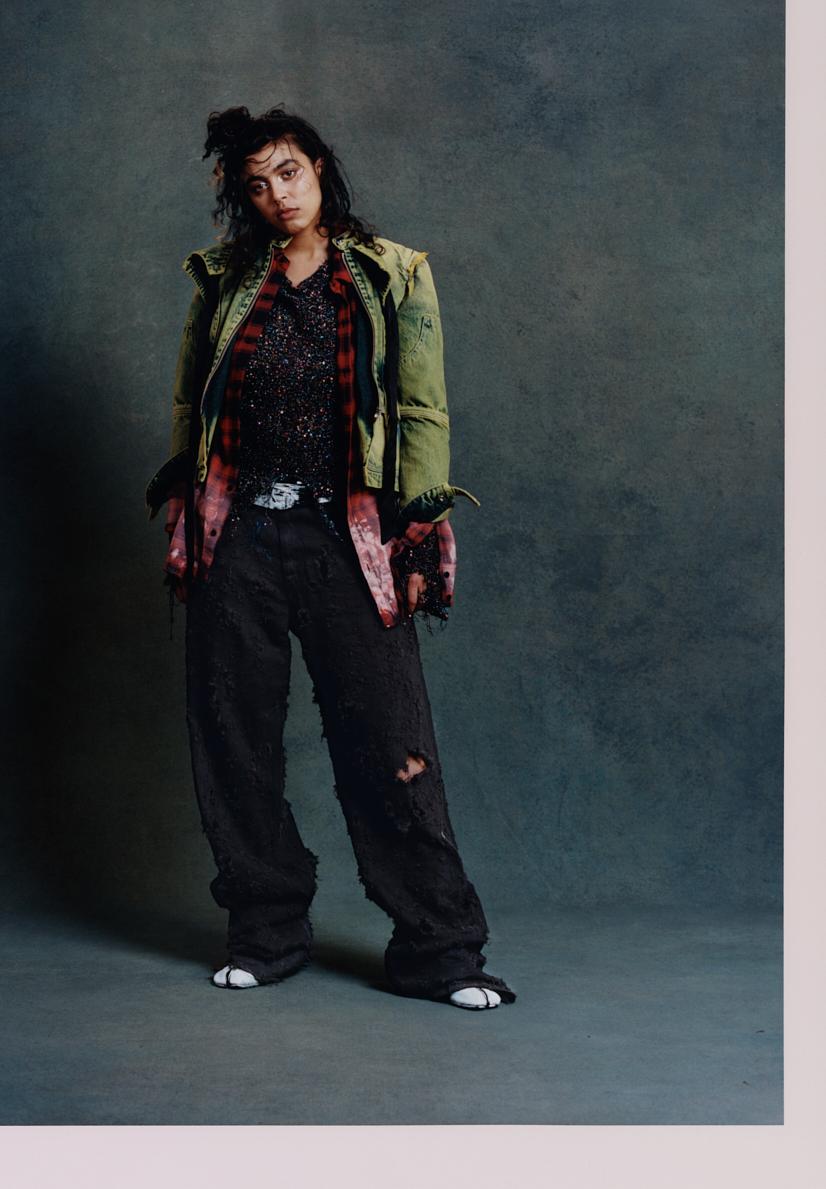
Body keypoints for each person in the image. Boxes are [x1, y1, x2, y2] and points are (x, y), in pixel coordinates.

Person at [146, 106, 515, 1011]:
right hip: (240, 535)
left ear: (319, 167)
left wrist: (418, 528)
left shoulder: (392, 274)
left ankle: (439, 951)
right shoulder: (225, 281)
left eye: (289, 172)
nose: (277, 195)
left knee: (390, 740)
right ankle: (266, 931)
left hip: (347, 536)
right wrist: (187, 506)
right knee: (232, 734)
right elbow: (193, 404)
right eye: (257, 185)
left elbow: (421, 411)